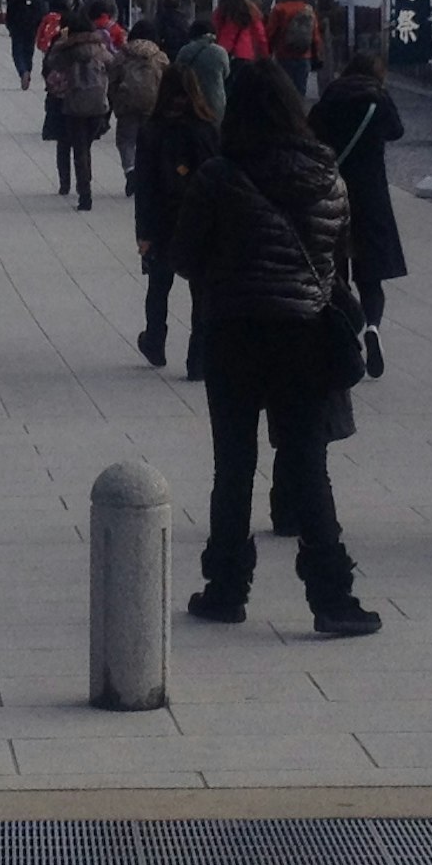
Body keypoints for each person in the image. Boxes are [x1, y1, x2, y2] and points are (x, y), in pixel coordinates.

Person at [167, 62, 374, 635]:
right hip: (306, 335)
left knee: (233, 465)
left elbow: (184, 256)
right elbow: (338, 260)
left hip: (233, 333)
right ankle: (332, 597)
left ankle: (227, 587)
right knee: (309, 464)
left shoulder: (218, 176)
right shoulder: (329, 178)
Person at [309, 42, 409, 381]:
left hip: (333, 190)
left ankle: (347, 334)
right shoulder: (378, 100)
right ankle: (373, 326)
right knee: (371, 274)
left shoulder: (331, 96)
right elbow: (397, 131)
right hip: (371, 195)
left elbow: (311, 133)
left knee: (334, 272)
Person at [131, 62, 218, 372]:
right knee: (201, 289)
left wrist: (143, 231)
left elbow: (143, 184)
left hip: (163, 218)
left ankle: (155, 340)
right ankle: (198, 355)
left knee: (159, 284)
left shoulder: (152, 130)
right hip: (201, 219)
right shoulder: (207, 129)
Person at [42, 5, 111, 208]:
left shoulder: (66, 51)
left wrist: (61, 41)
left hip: (72, 103)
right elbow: (114, 65)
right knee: (85, 147)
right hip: (97, 103)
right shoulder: (100, 48)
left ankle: (82, 192)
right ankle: (85, 185)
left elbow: (50, 65)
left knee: (75, 147)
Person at [107, 30, 168, 197]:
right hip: (152, 104)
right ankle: (147, 177)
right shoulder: (160, 56)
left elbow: (112, 81)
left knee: (126, 140)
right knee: (150, 142)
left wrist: (116, 102)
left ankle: (130, 169)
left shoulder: (122, 55)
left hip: (128, 104)